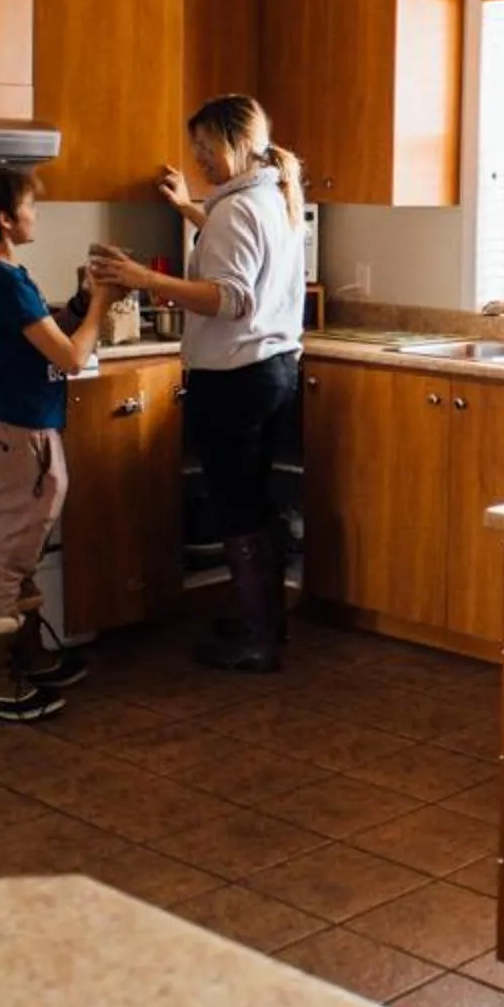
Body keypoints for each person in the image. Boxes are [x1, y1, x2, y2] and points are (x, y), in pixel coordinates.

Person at [97, 95, 306, 673]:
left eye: (207, 147)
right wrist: (190, 208)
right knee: (254, 499)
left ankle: (258, 638)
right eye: (196, 148)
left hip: (235, 377)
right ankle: (263, 621)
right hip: (274, 369)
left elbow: (231, 299)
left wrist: (142, 278)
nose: (199, 158)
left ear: (237, 144)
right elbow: (240, 250)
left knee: (237, 505)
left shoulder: (238, 209)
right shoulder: (273, 193)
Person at [0, 164, 111, 721]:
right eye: (30, 206)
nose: (35, 215)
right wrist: (103, 304)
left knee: (24, 548)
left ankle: (27, 654)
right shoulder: (6, 281)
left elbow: (48, 334)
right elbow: (71, 357)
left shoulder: (5, 275)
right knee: (12, 554)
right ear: (5, 218)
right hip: (21, 437)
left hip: (25, 430)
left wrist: (82, 302)